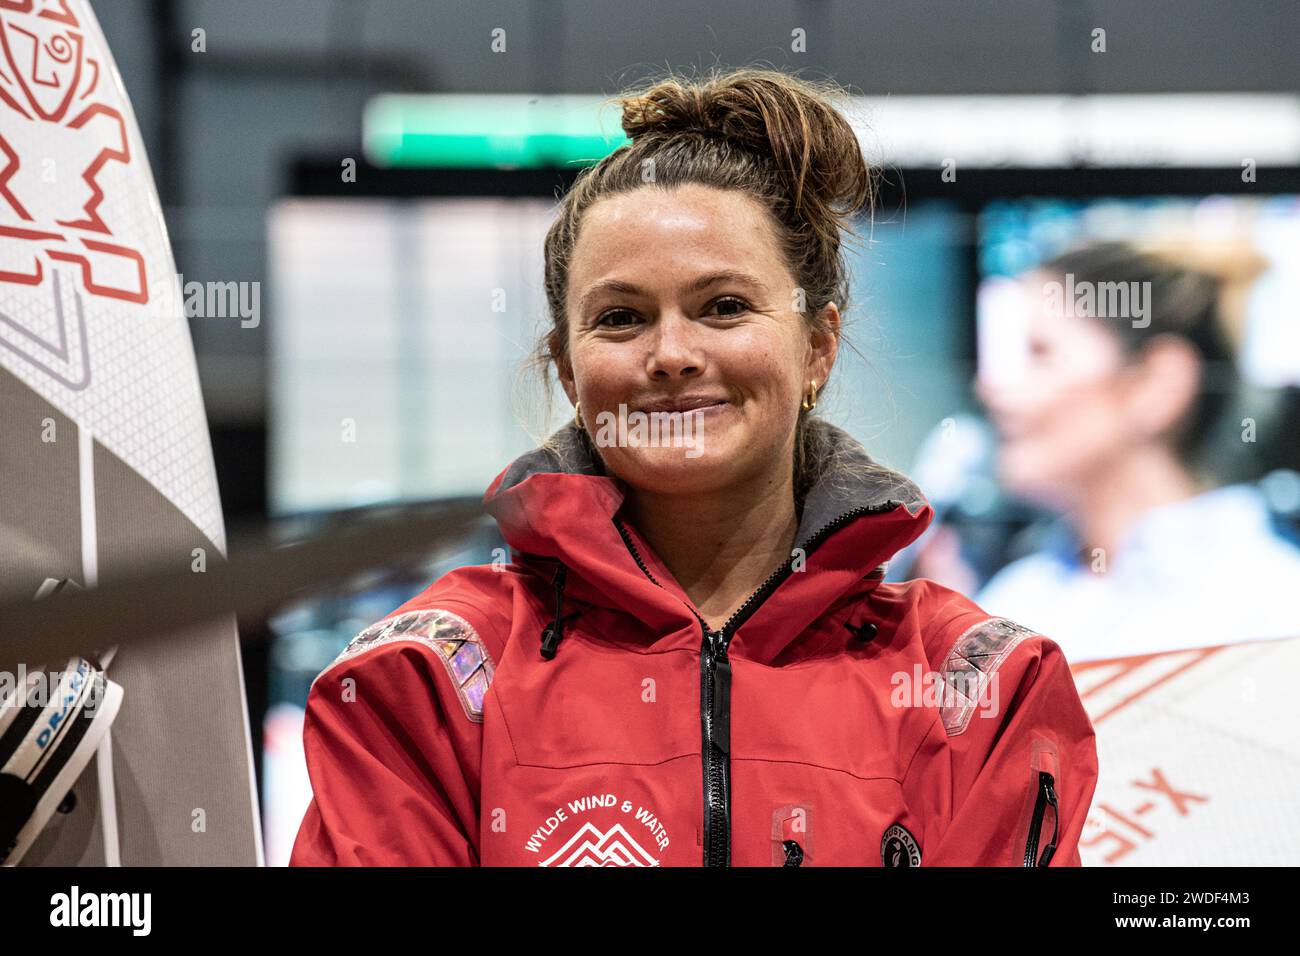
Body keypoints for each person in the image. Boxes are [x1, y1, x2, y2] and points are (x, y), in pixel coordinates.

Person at [289, 68, 1097, 867]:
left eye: (724, 307)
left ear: (817, 345)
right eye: (621, 318)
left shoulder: (978, 687)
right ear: (569, 371)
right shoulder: (425, 679)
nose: (672, 354)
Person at [976, 240, 1300, 662]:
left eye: (1040, 353)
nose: (992, 387)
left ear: (1156, 383)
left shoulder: (1268, 604)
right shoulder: (1013, 599)